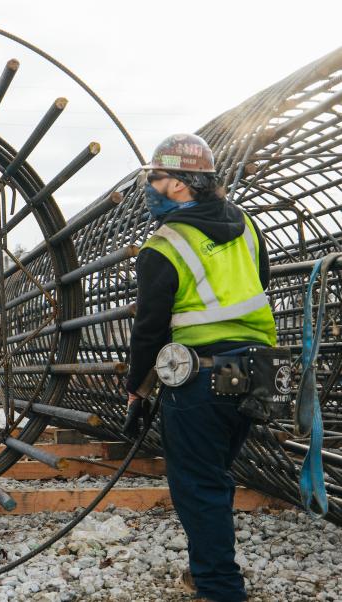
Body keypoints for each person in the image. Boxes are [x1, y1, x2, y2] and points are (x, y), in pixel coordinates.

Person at [125, 134, 276, 602]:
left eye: (154, 177)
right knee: (214, 477)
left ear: (176, 184)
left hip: (201, 379)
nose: (149, 185)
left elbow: (149, 328)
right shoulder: (248, 227)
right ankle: (205, 571)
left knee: (198, 485)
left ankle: (220, 588)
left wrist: (136, 390)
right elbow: (259, 285)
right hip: (255, 371)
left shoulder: (165, 243)